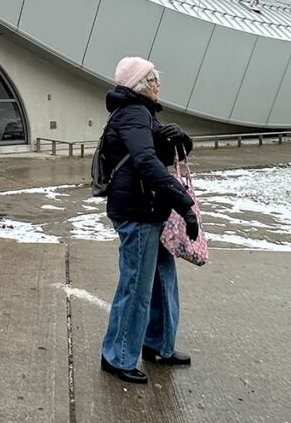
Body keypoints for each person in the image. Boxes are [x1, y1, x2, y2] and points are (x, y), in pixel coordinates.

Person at [100, 56, 199, 385]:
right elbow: (144, 161)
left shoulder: (141, 115)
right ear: (141, 85)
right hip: (137, 213)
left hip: (149, 211)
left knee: (161, 282)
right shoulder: (134, 114)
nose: (159, 85)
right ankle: (117, 356)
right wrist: (183, 201)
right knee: (136, 288)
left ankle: (157, 345)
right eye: (154, 80)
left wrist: (180, 140)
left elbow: (163, 155)